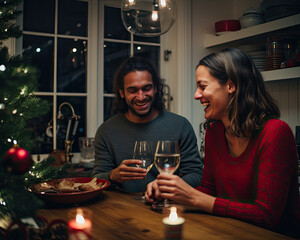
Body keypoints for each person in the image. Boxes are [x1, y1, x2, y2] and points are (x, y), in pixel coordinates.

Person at [145, 48, 300, 238]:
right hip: (228, 231)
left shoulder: (275, 132)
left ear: (230, 86)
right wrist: (170, 196)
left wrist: (192, 197)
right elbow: (209, 190)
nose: (196, 95)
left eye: (203, 86)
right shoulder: (214, 132)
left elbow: (267, 215)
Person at [91, 56, 203, 193]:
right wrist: (112, 176)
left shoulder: (180, 126)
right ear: (121, 93)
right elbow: (96, 179)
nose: (141, 96)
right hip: (123, 208)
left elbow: (196, 174)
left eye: (146, 88)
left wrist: (165, 187)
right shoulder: (106, 131)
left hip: (167, 204)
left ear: (155, 88)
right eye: (133, 90)